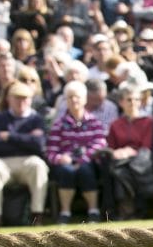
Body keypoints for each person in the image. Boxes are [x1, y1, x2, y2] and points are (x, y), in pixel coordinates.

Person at [0, 80, 50, 228]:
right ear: (9, 99)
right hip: (3, 162)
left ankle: (37, 215)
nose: (21, 101)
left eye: (25, 98)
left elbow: (39, 145)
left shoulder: (36, 119)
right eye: (17, 98)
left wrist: (9, 136)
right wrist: (27, 138)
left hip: (28, 161)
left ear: (30, 100)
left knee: (39, 165)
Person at [46, 81, 108, 223]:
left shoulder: (94, 122)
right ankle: (65, 213)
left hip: (89, 161)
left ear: (85, 99)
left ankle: (93, 211)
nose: (74, 100)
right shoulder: (59, 124)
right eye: (70, 97)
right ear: (66, 101)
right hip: (65, 163)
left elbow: (100, 144)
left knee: (85, 170)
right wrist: (60, 158)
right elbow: (51, 151)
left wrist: (83, 159)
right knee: (66, 171)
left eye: (77, 97)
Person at [106, 81, 153, 220]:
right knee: (117, 170)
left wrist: (130, 152)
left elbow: (147, 145)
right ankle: (125, 208)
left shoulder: (148, 121)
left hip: (142, 160)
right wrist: (118, 153)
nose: (133, 103)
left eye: (136, 99)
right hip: (120, 160)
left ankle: (133, 208)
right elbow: (111, 147)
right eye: (129, 99)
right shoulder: (115, 125)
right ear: (121, 102)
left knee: (124, 170)